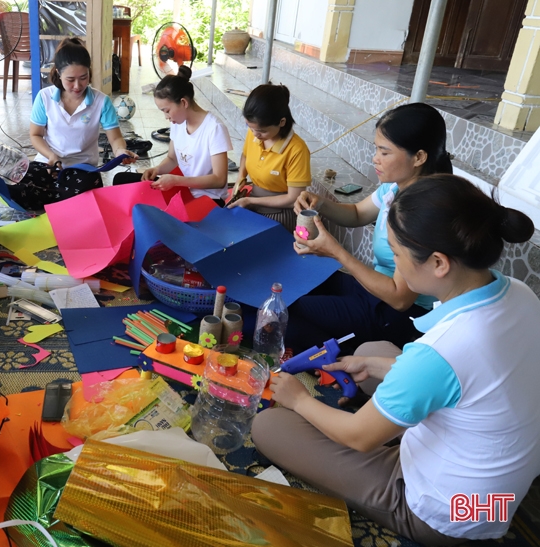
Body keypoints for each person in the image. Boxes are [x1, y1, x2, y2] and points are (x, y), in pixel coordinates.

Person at [253, 174, 540, 546]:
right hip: (499, 498)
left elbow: (359, 438)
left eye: (397, 256)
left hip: (452, 515)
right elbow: (473, 378)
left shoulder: (442, 350)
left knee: (270, 426)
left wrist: (299, 399)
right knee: (373, 353)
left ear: (439, 263)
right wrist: (381, 368)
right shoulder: (518, 292)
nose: (396, 269)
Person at [285, 103, 452, 352]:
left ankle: (341, 359)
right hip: (373, 289)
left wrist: (336, 252)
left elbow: (400, 299)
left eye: (384, 152)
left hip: (397, 314)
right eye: (376, 149)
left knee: (291, 311)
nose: (375, 158)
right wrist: (321, 204)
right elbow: (356, 213)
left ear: (419, 157)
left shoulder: (423, 213)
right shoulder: (394, 187)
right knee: (296, 285)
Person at [22, 38, 136, 208]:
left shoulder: (101, 101)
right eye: (70, 79)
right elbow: (35, 135)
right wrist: (51, 156)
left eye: (83, 78)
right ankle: (58, 200)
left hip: (83, 167)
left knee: (83, 189)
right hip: (48, 162)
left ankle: (53, 200)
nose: (77, 85)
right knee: (22, 184)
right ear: (59, 73)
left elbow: (115, 138)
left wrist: (120, 151)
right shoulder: (44, 98)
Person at [114, 66, 232, 206]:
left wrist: (176, 181)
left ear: (183, 103)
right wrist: (156, 170)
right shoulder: (178, 123)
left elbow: (219, 180)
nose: (166, 117)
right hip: (181, 189)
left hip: (207, 199)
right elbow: (172, 158)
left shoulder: (215, 128)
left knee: (147, 209)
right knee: (121, 180)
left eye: (167, 110)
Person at [227, 84, 311, 230]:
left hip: (279, 214)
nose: (255, 134)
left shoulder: (297, 150)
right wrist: (241, 177)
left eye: (261, 131)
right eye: (249, 127)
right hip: (252, 202)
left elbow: (293, 199)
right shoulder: (254, 133)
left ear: (282, 122)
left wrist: (250, 202)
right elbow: (245, 155)